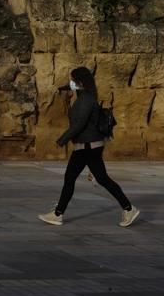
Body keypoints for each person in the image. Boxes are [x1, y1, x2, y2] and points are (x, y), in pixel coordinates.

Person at [38, 67, 140, 228]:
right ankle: (128, 209)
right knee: (102, 179)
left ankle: (58, 214)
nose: (70, 82)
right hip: (89, 146)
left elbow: (80, 124)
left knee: (70, 178)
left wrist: (62, 139)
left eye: (72, 80)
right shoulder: (84, 97)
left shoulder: (86, 100)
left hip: (87, 146)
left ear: (79, 82)